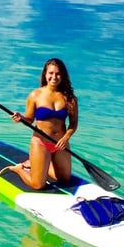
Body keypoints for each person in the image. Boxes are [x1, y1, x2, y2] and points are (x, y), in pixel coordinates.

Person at [8, 57, 78, 189]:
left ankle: (38, 164)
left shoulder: (70, 99)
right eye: (51, 73)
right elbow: (29, 119)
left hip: (60, 144)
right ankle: (19, 168)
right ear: (45, 74)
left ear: (62, 75)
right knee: (38, 185)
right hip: (41, 143)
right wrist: (21, 118)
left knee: (65, 179)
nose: (54, 77)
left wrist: (65, 138)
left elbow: (73, 124)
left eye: (58, 73)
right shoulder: (35, 95)